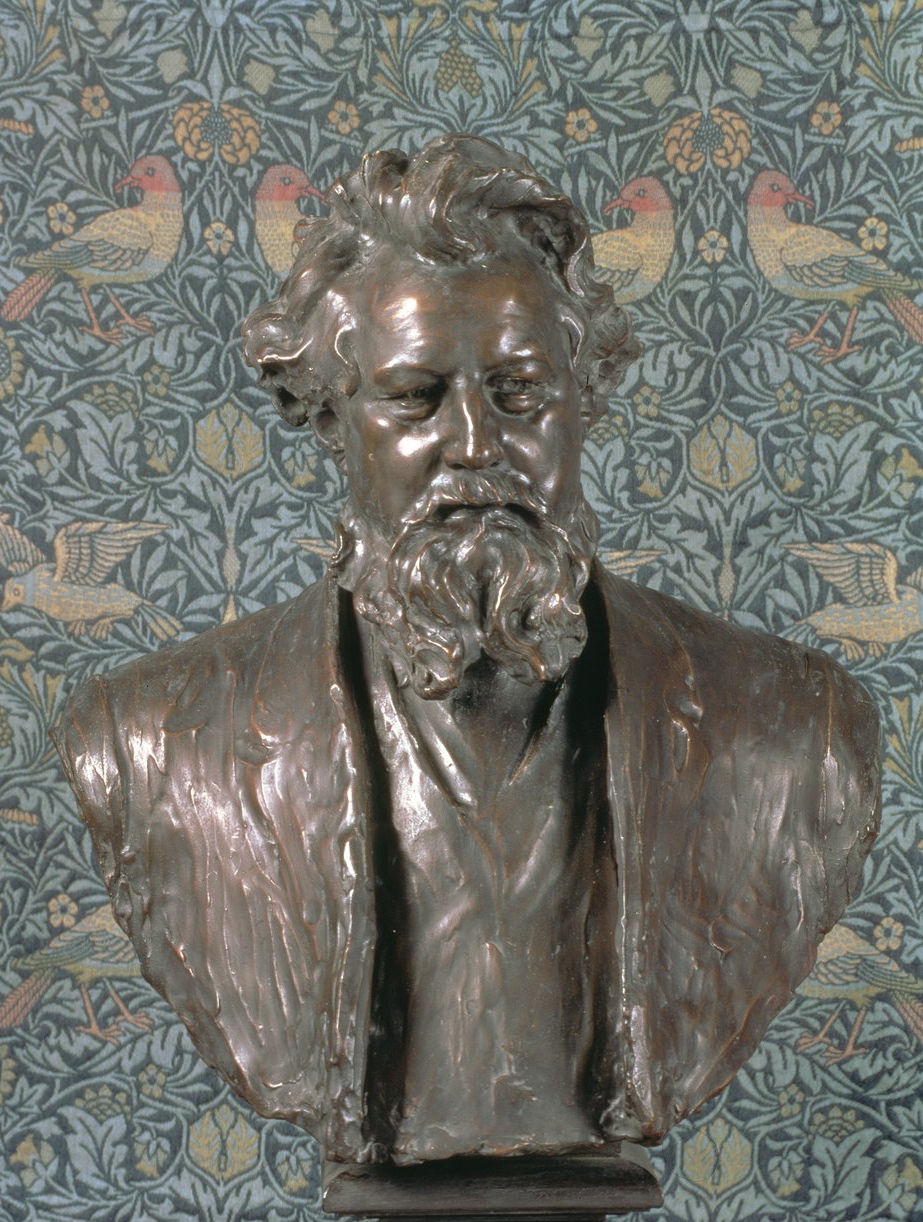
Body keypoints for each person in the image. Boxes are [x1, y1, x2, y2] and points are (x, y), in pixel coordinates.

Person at [52, 135, 880, 1167]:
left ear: (583, 396)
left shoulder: (794, 729)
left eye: (519, 392)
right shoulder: (155, 739)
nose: (478, 445)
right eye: (415, 397)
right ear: (331, 414)